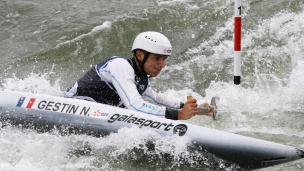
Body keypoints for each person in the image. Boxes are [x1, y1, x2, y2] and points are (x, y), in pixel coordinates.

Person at [64, 31, 214, 120]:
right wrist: (178, 115)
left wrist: (194, 108)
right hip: (70, 110)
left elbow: (155, 98)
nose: (162, 65)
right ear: (140, 55)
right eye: (157, 58)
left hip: (93, 116)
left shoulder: (140, 77)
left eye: (164, 59)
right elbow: (135, 105)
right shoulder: (120, 65)